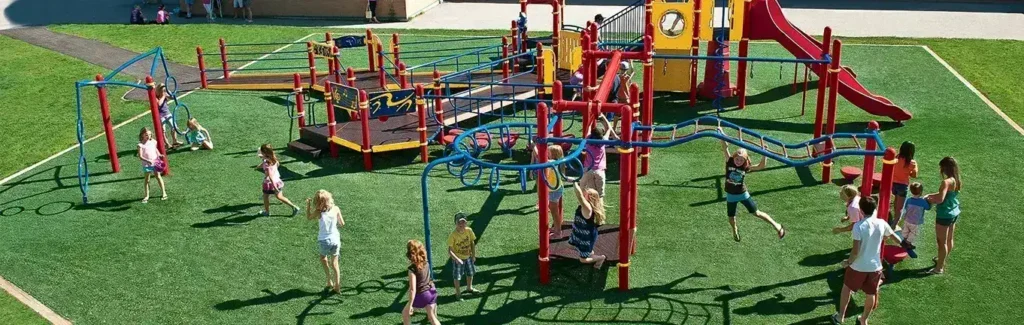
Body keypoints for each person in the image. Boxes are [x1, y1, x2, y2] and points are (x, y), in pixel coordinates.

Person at [832, 197, 899, 325]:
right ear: (875, 209)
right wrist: (905, 244)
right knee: (871, 293)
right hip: (875, 267)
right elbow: (893, 236)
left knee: (846, 288)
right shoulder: (882, 223)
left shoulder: (858, 226)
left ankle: (840, 317)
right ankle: (864, 320)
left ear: (861, 210)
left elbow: (855, 251)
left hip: (858, 266)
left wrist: (847, 262)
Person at [719, 133, 785, 241]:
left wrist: (765, 154)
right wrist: (721, 133)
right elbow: (724, 147)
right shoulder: (729, 162)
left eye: (741, 160)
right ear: (734, 157)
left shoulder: (745, 168)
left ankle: (777, 226)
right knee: (731, 217)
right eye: (737, 159)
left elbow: (761, 166)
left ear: (745, 161)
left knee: (756, 212)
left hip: (742, 194)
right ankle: (734, 229)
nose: (738, 162)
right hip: (731, 195)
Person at [925, 157, 961, 275]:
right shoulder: (956, 180)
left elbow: (940, 199)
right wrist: (931, 194)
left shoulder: (946, 182)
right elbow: (946, 195)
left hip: (944, 215)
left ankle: (939, 268)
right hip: (954, 212)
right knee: (949, 239)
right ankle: (942, 259)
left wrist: (930, 200)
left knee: (942, 242)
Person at [306, 190, 344, 294]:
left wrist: (308, 205)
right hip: (335, 239)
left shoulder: (319, 213)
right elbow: (342, 223)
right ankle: (337, 286)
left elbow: (309, 217)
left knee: (323, 258)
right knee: (335, 264)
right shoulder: (336, 209)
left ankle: (329, 280)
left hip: (324, 240)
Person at [567, 182, 607, 268]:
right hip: (578, 232)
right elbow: (581, 197)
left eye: (585, 194)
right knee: (570, 245)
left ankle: (600, 258)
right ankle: (589, 252)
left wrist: (574, 183)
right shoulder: (583, 206)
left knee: (583, 260)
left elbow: (579, 196)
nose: (583, 194)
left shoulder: (587, 208)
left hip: (586, 237)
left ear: (589, 198)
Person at [580, 114, 618, 198]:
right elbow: (609, 129)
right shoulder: (603, 141)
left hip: (588, 169)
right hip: (599, 170)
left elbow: (588, 129)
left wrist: (591, 118)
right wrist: (603, 117)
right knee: (600, 195)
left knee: (591, 192)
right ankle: (598, 208)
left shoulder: (588, 140)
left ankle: (591, 208)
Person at [403, 240, 440, 325]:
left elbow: (412, 290)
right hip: (432, 291)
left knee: (405, 314)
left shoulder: (412, 269)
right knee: (432, 317)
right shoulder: (426, 262)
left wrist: (410, 305)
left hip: (422, 294)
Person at [258, 144, 300, 216]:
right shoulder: (273, 158)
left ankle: (267, 212)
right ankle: (294, 207)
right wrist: (259, 165)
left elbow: (270, 177)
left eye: (261, 152)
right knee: (279, 196)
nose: (260, 153)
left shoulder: (267, 164)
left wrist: (275, 187)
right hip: (277, 180)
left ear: (264, 153)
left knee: (266, 197)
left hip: (269, 183)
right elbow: (276, 164)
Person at [534, 145, 566, 238]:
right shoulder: (558, 162)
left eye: (548, 152)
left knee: (554, 212)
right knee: (553, 211)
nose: (546, 153)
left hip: (554, 191)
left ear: (553, 154)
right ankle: (557, 228)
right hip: (555, 189)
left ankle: (558, 232)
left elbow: (539, 157)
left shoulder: (552, 162)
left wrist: (534, 146)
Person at [447, 213, 479, 301]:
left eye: (463, 222)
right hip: (458, 259)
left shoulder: (469, 230)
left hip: (468, 257)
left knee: (470, 273)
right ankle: (458, 293)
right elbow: (449, 251)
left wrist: (473, 255)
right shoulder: (453, 235)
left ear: (466, 222)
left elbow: (472, 243)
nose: (461, 225)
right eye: (459, 222)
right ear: (455, 223)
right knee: (457, 276)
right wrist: (457, 259)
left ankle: (469, 287)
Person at [890, 141, 918, 228]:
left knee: (896, 201)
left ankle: (894, 218)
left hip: (893, 184)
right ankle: (894, 224)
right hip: (902, 186)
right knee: (900, 207)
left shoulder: (896, 158)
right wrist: (915, 166)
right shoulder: (912, 163)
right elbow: (914, 175)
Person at [137, 127, 167, 203]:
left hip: (155, 162)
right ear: (142, 135)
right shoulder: (140, 145)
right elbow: (140, 156)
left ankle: (164, 192)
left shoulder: (153, 141)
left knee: (158, 177)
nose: (148, 136)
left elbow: (155, 149)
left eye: (150, 134)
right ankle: (146, 196)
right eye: (146, 135)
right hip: (147, 165)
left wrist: (159, 154)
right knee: (147, 180)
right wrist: (148, 161)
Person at [900, 183, 930, 250]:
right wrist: (928, 201)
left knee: (906, 230)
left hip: (907, 219)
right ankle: (907, 243)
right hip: (915, 222)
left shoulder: (909, 200)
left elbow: (905, 207)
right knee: (913, 233)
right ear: (921, 191)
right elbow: (928, 207)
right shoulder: (922, 201)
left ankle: (905, 240)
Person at [155, 84, 182, 148]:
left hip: (167, 113)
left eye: (164, 90)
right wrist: (163, 96)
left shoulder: (165, 94)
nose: (163, 92)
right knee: (163, 131)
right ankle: (167, 144)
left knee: (174, 127)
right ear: (159, 91)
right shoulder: (156, 97)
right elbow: (159, 104)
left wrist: (169, 93)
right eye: (162, 91)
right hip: (160, 116)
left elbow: (172, 97)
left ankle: (175, 141)